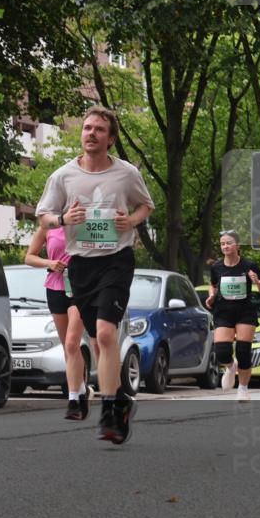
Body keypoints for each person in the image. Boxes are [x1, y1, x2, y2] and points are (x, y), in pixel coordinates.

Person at [36, 106, 154, 445]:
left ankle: (109, 410)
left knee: (105, 334)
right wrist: (62, 220)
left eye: (99, 129)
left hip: (116, 259)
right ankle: (120, 402)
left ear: (110, 138)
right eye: (87, 128)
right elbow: (44, 216)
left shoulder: (126, 173)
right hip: (81, 264)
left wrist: (130, 221)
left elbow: (146, 205)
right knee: (93, 339)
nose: (91, 133)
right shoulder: (62, 176)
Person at [25, 225, 92, 420]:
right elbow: (29, 257)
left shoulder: (84, 224)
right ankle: (81, 391)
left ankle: (72, 400)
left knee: (72, 343)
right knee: (67, 347)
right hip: (55, 286)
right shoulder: (48, 227)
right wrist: (50, 263)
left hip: (80, 287)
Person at [205, 230, 260, 402]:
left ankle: (243, 388)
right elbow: (212, 285)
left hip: (244, 311)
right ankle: (231, 367)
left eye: (229, 243)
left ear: (237, 245)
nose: (225, 246)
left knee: (243, 350)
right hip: (223, 311)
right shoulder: (217, 267)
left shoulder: (249, 265)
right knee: (222, 352)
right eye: (222, 244)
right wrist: (211, 296)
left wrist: (257, 282)